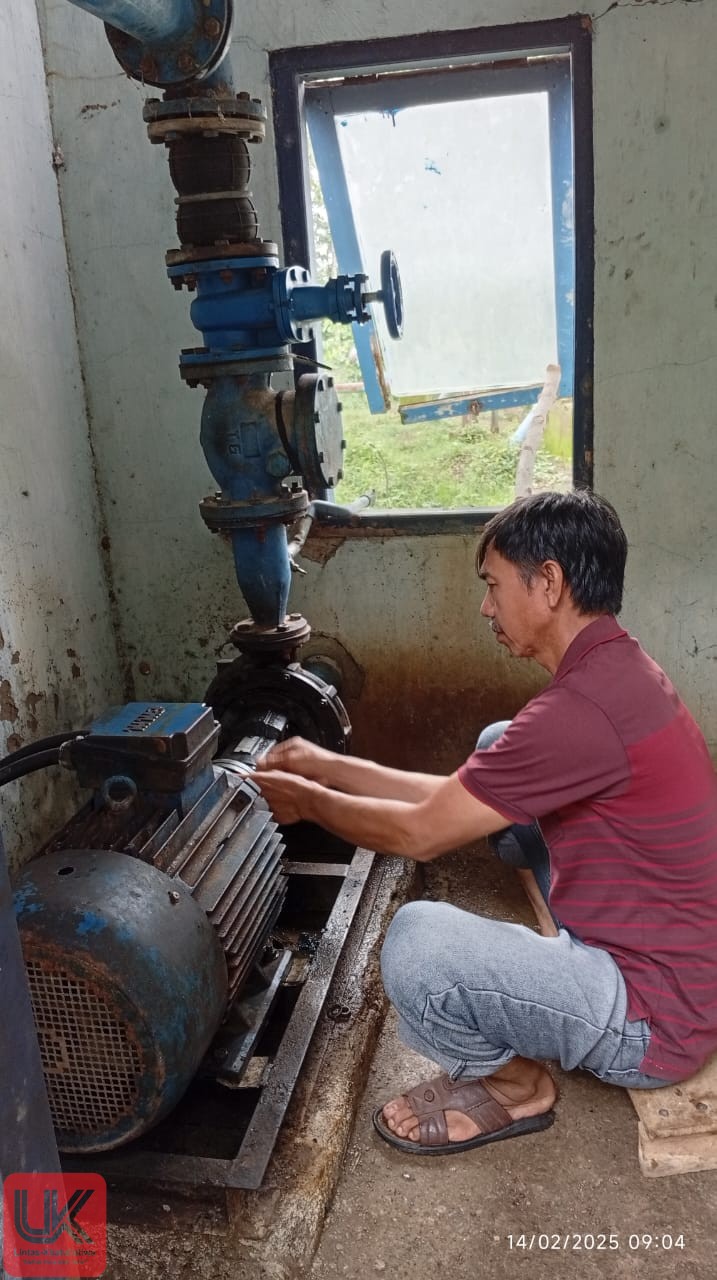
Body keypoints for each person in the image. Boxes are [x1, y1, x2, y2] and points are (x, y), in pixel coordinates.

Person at [255, 490, 717, 1156]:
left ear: (549, 583)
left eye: (493, 585)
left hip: (655, 1021)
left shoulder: (579, 714)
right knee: (496, 743)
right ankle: (562, 965)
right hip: (679, 957)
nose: (485, 607)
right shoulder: (617, 670)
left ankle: (515, 1086)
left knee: (419, 946)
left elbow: (422, 832)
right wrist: (324, 766)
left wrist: (308, 802)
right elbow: (454, 798)